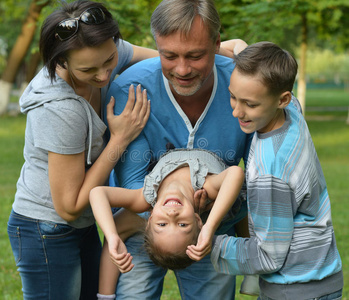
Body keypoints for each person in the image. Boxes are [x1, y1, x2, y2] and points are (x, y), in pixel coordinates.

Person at [6, 1, 158, 299]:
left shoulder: (100, 48)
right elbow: (69, 205)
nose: (103, 76)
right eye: (88, 70)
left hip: (83, 222)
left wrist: (222, 49)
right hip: (46, 228)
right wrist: (120, 139)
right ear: (60, 62)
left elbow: (165, 60)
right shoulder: (60, 109)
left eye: (110, 61)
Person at [105, 0, 252, 299]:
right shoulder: (131, 90)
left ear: (216, 43)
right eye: (169, 56)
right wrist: (171, 214)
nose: (182, 69)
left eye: (195, 55)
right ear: (156, 44)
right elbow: (131, 181)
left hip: (214, 226)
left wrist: (211, 220)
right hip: (143, 225)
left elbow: (261, 173)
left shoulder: (246, 86)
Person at [189, 41, 343, 300]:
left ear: (282, 98)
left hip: (295, 288)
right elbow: (248, 53)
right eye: (233, 96)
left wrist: (209, 240)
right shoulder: (292, 110)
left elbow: (268, 255)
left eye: (250, 104)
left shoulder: (269, 173)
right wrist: (216, 49)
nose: (237, 111)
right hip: (320, 277)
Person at [90, 148, 252, 299]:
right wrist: (210, 226)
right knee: (239, 208)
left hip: (168, 150)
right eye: (183, 225)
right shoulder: (205, 187)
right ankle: (252, 268)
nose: (172, 215)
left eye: (162, 225)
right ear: (197, 220)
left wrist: (111, 236)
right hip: (229, 196)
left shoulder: (146, 196)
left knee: (120, 224)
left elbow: (98, 193)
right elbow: (236, 173)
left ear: (150, 218)